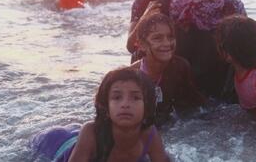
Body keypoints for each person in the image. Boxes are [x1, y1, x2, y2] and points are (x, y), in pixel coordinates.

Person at [157, 0, 246, 101]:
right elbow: (144, 49)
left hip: (223, 100)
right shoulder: (168, 5)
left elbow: (248, 55)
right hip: (180, 100)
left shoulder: (232, 7)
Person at [30, 67, 170, 162]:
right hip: (55, 142)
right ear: (106, 106)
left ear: (148, 106)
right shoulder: (91, 132)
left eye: (135, 98)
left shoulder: (149, 134)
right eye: (116, 97)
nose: (125, 104)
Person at [131, 13, 205, 125]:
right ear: (142, 45)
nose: (166, 43)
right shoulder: (131, 76)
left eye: (170, 37)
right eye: (157, 38)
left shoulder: (180, 67)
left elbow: (192, 106)